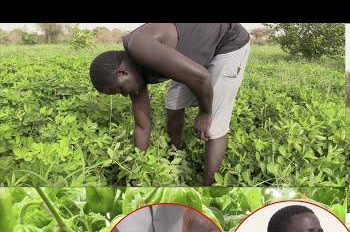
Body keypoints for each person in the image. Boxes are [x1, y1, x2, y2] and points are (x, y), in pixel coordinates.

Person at [89, 23, 250, 185]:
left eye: (120, 90)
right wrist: (138, 169)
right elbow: (142, 127)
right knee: (173, 104)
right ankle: (174, 154)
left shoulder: (139, 46)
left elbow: (201, 77)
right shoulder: (134, 76)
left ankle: (209, 192)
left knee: (213, 126)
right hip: (194, 57)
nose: (124, 95)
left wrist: (205, 112)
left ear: (122, 72)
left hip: (227, 42)